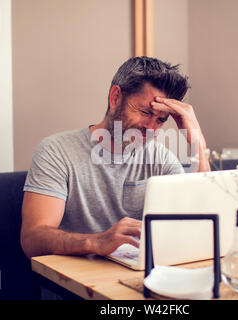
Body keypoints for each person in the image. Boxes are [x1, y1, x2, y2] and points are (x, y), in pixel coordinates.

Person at [20, 56, 210, 259]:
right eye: (145, 112)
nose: (151, 128)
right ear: (115, 97)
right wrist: (96, 241)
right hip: (72, 281)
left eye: (161, 120)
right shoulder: (56, 151)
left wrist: (196, 140)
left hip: (136, 275)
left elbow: (204, 221)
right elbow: (32, 240)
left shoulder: (160, 159)